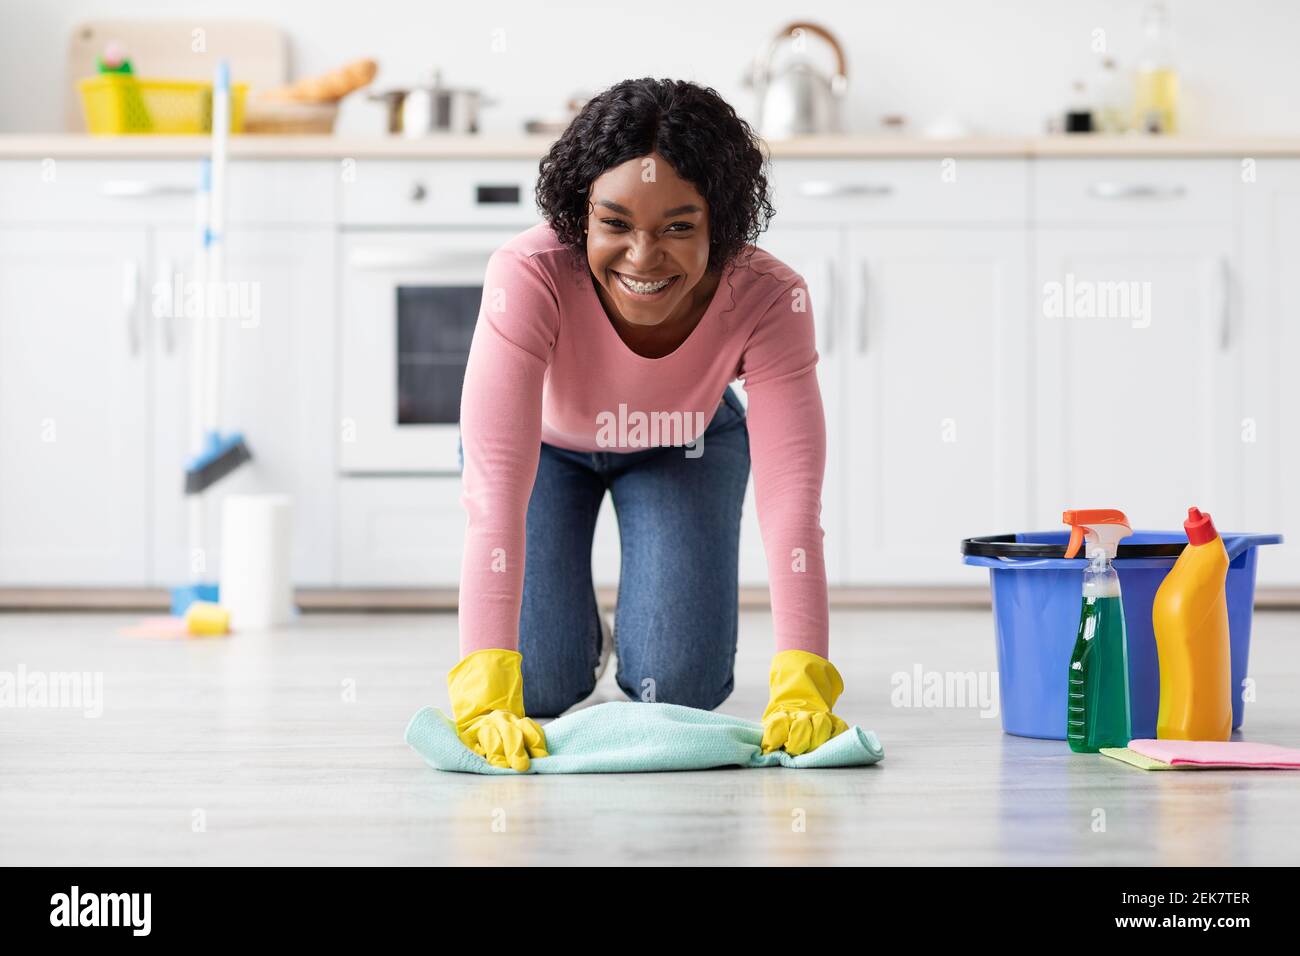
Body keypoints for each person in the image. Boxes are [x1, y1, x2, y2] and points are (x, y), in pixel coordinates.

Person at [447, 77, 849, 770]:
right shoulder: (529, 272)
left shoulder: (768, 295)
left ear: (720, 221)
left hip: (683, 446)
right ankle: (583, 634)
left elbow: (793, 510)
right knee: (539, 683)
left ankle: (637, 625)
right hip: (544, 449)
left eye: (678, 227)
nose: (642, 256)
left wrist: (805, 674)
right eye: (616, 223)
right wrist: (485, 683)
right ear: (581, 215)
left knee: (680, 687)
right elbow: (495, 499)